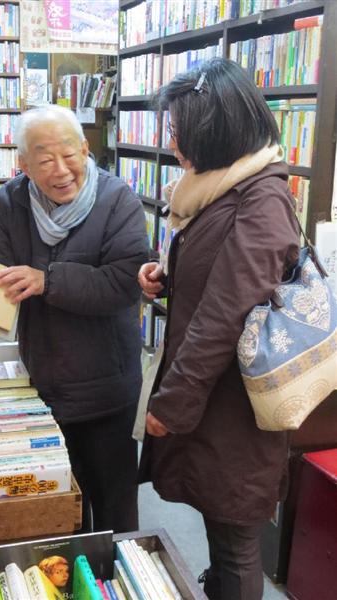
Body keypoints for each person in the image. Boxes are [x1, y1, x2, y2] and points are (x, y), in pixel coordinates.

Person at [138, 58, 300, 600]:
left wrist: (170, 404)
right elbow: (218, 277)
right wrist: (167, 275)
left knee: (235, 543)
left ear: (217, 129)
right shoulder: (223, 189)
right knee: (220, 525)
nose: (174, 142)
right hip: (216, 401)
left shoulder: (263, 200)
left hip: (234, 408)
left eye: (180, 131)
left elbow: (222, 316)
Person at [0, 104, 148, 533]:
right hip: (43, 386)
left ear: (86, 149)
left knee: (114, 512)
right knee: (56, 510)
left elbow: (123, 284)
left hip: (108, 387)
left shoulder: (116, 198)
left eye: (70, 154)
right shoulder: (10, 203)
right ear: (24, 164)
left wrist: (47, 280)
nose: (61, 169)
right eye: (45, 159)